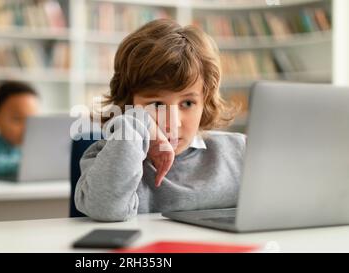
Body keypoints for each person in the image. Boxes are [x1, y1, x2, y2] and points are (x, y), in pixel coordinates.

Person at [75, 19, 245, 222]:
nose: (173, 122)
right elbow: (105, 209)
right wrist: (138, 123)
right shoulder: (108, 156)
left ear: (204, 103)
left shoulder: (239, 152)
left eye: (188, 103)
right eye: (156, 104)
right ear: (129, 102)